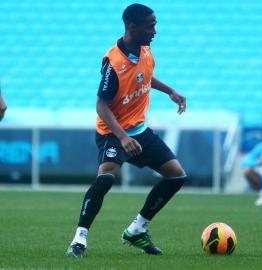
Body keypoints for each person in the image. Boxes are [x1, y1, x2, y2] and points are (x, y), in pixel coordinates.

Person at [67, 3, 187, 258]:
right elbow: (101, 105)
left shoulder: (146, 52)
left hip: (139, 130)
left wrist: (170, 91)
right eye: (150, 26)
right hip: (113, 132)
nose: (155, 31)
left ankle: (137, 230)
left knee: (177, 176)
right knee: (107, 177)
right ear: (132, 27)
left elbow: (145, 76)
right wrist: (122, 137)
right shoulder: (114, 62)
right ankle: (79, 240)